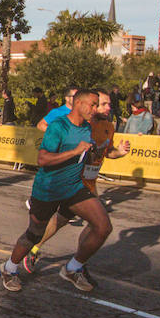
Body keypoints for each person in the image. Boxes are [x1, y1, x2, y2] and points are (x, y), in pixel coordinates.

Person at [0, 90, 117, 292]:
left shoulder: (87, 127)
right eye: (93, 104)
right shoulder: (58, 126)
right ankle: (9, 268)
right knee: (34, 235)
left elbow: (84, 156)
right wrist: (74, 151)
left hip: (73, 188)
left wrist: (104, 150)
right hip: (48, 189)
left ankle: (72, 268)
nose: (95, 109)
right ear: (78, 103)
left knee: (103, 226)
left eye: (98, 105)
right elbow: (42, 159)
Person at [20, 89, 130, 274]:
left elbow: (105, 152)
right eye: (102, 104)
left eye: (107, 104)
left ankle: (73, 261)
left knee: (72, 221)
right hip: (73, 181)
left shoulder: (108, 127)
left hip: (90, 182)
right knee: (90, 223)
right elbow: (51, 135)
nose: (106, 108)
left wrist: (119, 153)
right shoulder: (80, 124)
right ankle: (63, 260)